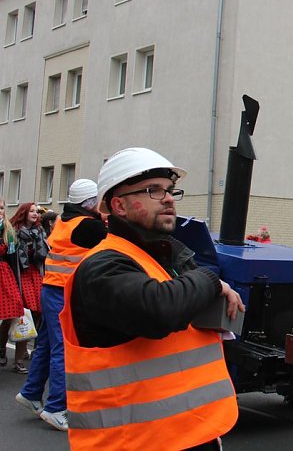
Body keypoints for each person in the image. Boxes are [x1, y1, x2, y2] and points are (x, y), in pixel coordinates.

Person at [59, 147, 243, 450]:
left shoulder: (161, 259)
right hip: (131, 443)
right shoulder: (102, 266)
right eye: (153, 190)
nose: (169, 198)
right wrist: (211, 280)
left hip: (189, 434)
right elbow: (158, 311)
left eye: (170, 190)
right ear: (119, 205)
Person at [15, 179, 107, 432]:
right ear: (90, 202)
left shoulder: (65, 220)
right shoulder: (88, 225)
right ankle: (56, 408)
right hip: (63, 291)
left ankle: (32, 392)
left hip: (51, 289)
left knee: (46, 344)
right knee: (62, 349)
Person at [4, 203, 49, 374]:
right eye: (32, 211)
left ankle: (20, 356)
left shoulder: (40, 232)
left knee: (36, 313)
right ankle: (10, 354)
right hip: (20, 275)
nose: (36, 214)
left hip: (35, 274)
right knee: (19, 314)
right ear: (24, 212)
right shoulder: (14, 232)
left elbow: (44, 255)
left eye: (37, 211)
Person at [0, 198, 28, 370]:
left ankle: (2, 347)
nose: (0, 211)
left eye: (2, 207)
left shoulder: (9, 232)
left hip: (4, 274)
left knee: (13, 311)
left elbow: (12, 259)